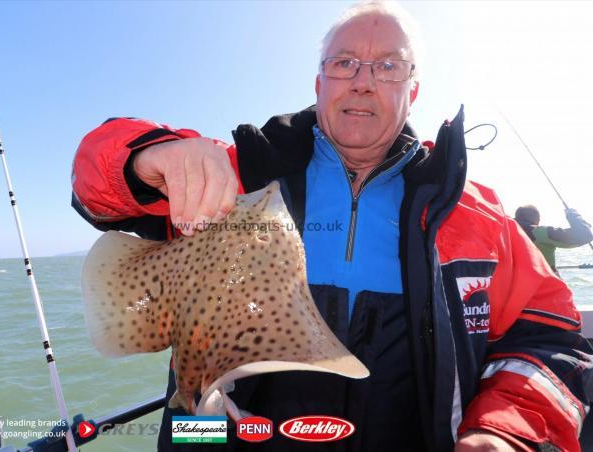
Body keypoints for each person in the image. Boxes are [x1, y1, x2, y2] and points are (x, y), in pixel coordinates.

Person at [71, 1, 592, 450]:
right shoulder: (234, 179)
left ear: (412, 92)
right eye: (344, 63)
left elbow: (552, 339)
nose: (363, 80)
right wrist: (147, 156)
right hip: (216, 422)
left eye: (388, 66)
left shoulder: (477, 216)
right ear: (319, 84)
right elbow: (96, 189)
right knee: (193, 430)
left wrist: (504, 432)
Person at [515, 205, 593, 273]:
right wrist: (573, 215)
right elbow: (585, 235)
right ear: (537, 219)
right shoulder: (540, 233)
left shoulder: (505, 232)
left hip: (511, 286)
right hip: (541, 285)